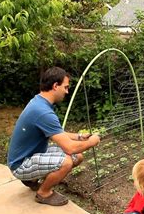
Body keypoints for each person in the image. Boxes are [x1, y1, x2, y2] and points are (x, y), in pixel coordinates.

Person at [7, 67, 100, 206]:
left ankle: (32, 180)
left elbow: (57, 133)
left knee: (78, 157)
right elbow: (70, 148)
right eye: (66, 87)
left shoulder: (39, 102)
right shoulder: (43, 112)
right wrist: (92, 142)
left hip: (29, 155)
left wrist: (80, 137)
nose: (67, 91)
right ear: (55, 86)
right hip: (21, 164)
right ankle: (43, 193)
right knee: (67, 161)